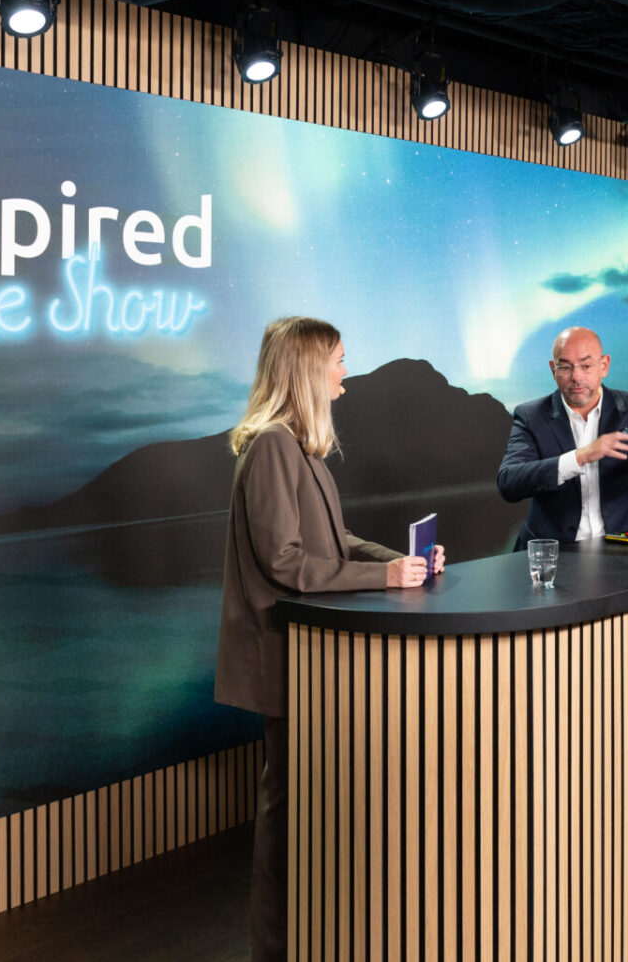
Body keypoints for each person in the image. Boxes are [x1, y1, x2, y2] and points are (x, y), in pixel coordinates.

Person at [214, 316, 444, 962]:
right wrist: (383, 575)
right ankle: (272, 950)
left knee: (298, 810)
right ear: (309, 370)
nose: (346, 374)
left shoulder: (300, 449)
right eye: (339, 361)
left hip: (313, 663)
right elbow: (286, 563)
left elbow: (336, 545)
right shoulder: (270, 449)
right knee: (283, 814)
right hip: (285, 660)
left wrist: (403, 564)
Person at [496, 325, 628, 548]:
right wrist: (580, 457)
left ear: (604, 366)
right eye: (565, 367)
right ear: (553, 370)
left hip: (626, 545)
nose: (576, 377)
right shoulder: (530, 416)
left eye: (586, 366)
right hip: (553, 552)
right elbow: (509, 481)